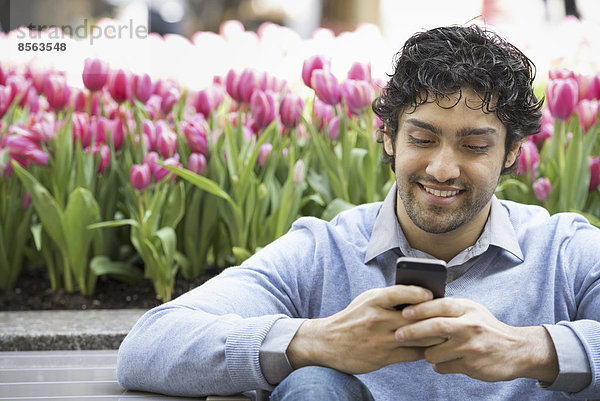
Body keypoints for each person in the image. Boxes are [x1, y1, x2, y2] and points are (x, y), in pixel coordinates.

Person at [116, 25, 600, 400]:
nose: (442, 168)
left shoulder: (563, 250)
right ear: (388, 136)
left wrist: (532, 349)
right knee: (314, 384)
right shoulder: (322, 251)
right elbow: (149, 345)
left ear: (512, 152)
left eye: (474, 145)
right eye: (422, 139)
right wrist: (313, 341)